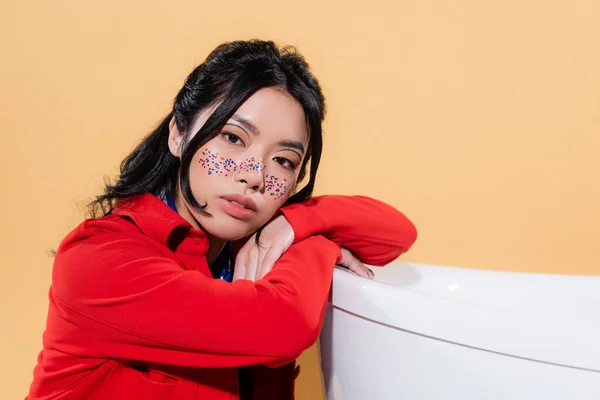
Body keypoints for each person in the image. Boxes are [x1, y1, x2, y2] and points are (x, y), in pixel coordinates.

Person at [26, 40, 417, 400]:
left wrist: (294, 224)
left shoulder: (260, 247)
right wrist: (319, 244)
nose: (254, 175)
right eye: (233, 138)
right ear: (179, 135)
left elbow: (396, 235)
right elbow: (284, 326)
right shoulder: (101, 258)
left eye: (283, 160)